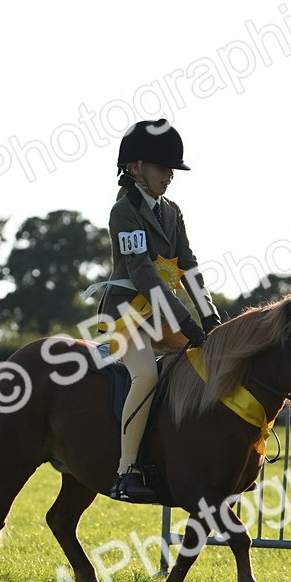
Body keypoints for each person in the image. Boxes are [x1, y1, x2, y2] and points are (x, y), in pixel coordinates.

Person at [88, 119, 222, 503]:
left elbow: (189, 264)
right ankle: (126, 469)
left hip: (159, 315)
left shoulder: (172, 211)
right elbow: (142, 272)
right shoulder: (124, 213)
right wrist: (185, 320)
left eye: (172, 170)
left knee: (204, 366)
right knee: (146, 374)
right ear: (136, 167)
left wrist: (209, 315)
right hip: (126, 316)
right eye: (163, 168)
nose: (170, 176)